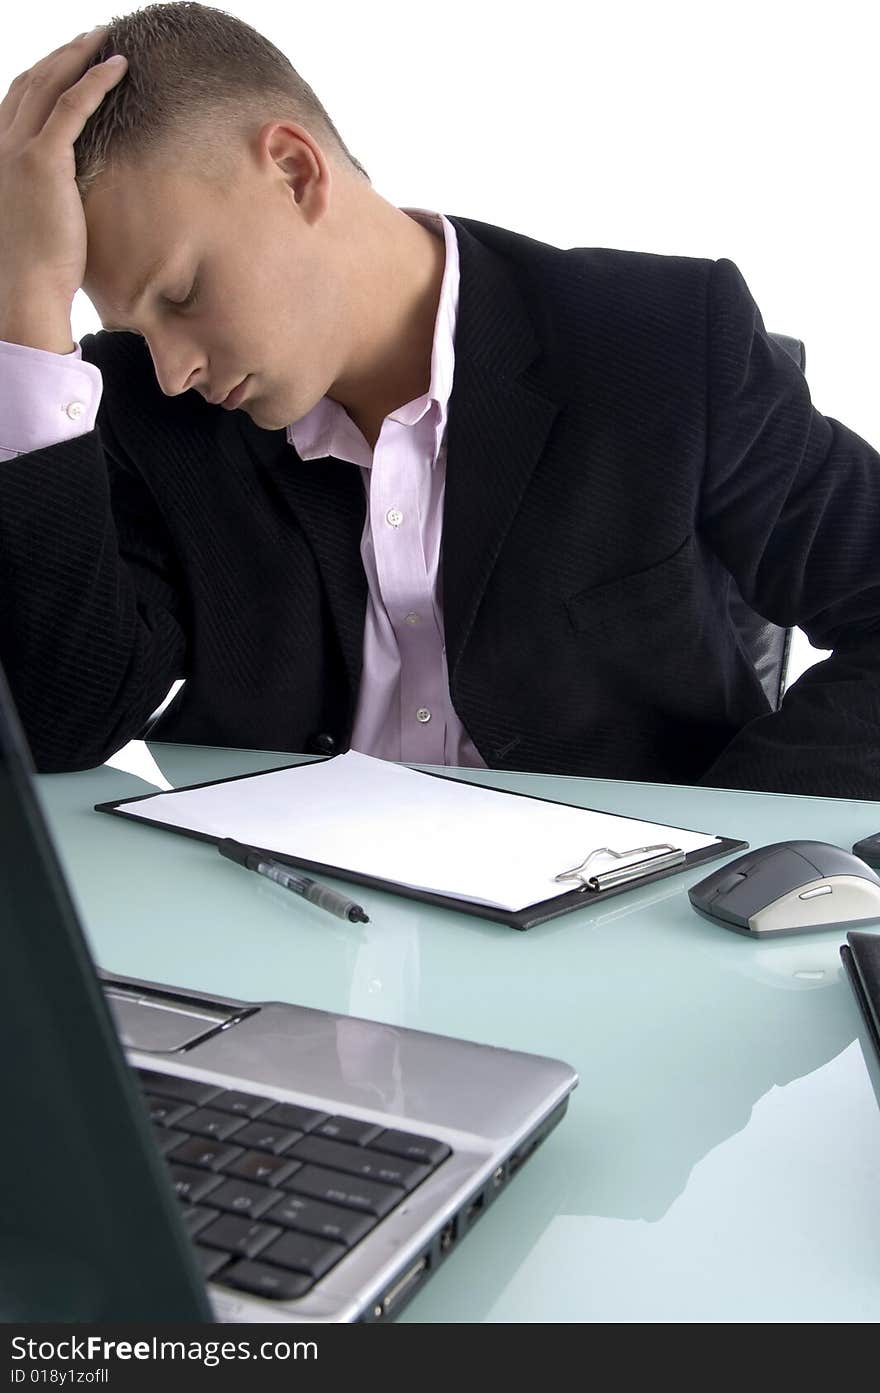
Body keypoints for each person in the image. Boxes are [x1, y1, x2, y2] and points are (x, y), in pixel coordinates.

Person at [1, 6, 879, 796]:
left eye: (184, 292)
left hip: (613, 941)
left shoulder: (664, 343)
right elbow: (58, 723)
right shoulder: (144, 412)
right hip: (276, 932)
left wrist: (725, 847)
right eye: (135, 325)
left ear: (296, 170)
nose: (171, 368)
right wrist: (26, 324)